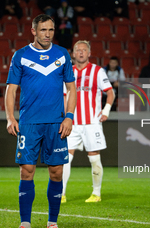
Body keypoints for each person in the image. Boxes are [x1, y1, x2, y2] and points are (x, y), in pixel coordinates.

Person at [5, 14, 76, 228]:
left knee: (56, 172)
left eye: (51, 30)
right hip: (29, 123)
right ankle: (25, 225)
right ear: (33, 31)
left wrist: (69, 116)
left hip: (56, 123)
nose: (48, 34)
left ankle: (52, 224)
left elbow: (72, 89)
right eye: (43, 30)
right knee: (27, 171)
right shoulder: (21, 55)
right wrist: (10, 117)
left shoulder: (62, 54)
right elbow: (11, 90)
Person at [61, 40, 115, 203]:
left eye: (84, 50)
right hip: (72, 122)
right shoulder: (68, 72)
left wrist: (106, 111)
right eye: (78, 50)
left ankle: (96, 194)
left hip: (92, 122)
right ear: (73, 53)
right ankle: (61, 194)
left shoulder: (97, 71)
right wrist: (63, 117)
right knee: (65, 159)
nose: (81, 52)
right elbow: (64, 96)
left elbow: (110, 92)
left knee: (94, 158)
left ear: (89, 53)